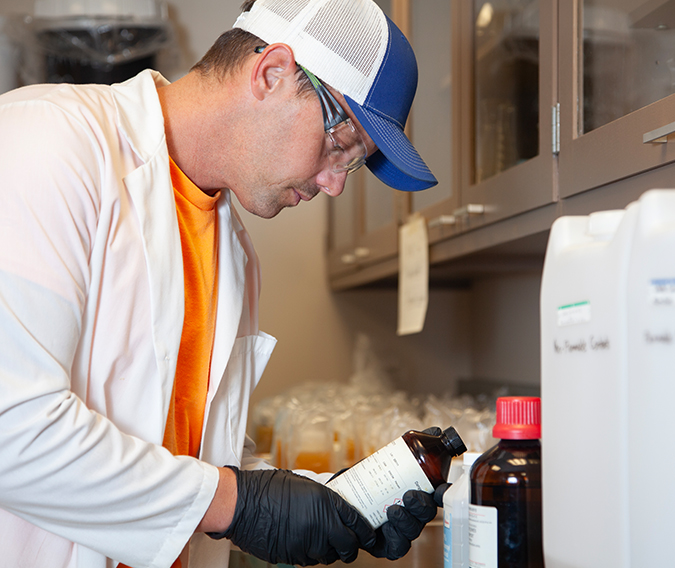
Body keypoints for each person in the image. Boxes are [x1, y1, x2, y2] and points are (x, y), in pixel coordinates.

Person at [0, 0, 440, 567]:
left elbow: (190, 458)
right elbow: (13, 429)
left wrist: (335, 501)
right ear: (272, 72)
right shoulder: (46, 143)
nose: (334, 184)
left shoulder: (233, 250)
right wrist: (242, 505)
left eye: (352, 164)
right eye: (340, 143)